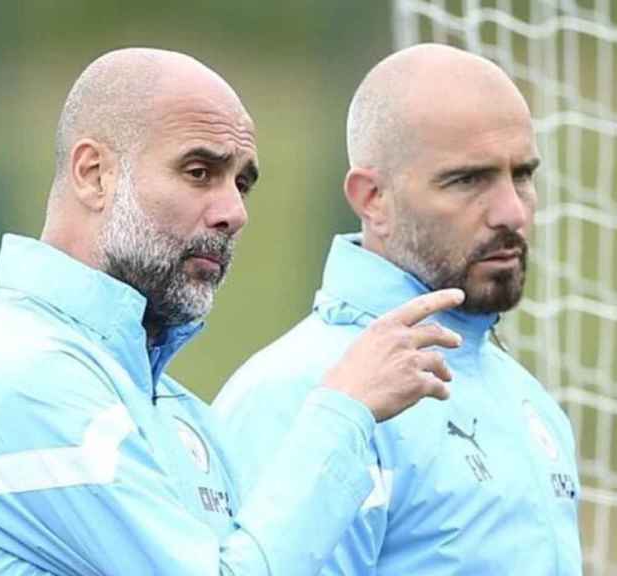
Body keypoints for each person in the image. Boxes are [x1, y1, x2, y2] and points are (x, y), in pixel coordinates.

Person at [0, 47, 468, 576]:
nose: (233, 212)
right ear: (93, 174)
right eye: (199, 172)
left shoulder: (177, 411)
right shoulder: (22, 378)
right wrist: (345, 411)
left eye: (241, 183)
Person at [214, 44, 583, 574]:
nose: (511, 211)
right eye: (467, 180)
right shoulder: (299, 396)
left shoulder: (528, 402)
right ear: (372, 199)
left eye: (522, 175)